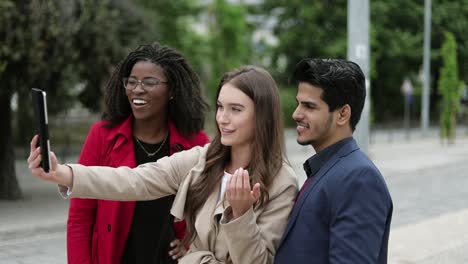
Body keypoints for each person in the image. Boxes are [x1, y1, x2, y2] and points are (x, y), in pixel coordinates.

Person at [28, 66, 298, 264]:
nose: (222, 119)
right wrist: (62, 173)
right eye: (219, 107)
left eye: (235, 109)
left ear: (261, 115)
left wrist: (241, 216)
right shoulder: (202, 159)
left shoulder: (281, 181)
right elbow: (135, 181)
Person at [66, 43, 210, 264]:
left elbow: (210, 209)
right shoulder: (102, 136)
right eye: (131, 82)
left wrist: (192, 242)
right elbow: (80, 217)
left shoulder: (195, 143)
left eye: (149, 82)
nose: (137, 89)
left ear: (172, 90)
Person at [274, 58, 393, 264]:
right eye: (298, 104)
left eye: (309, 106)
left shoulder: (358, 178)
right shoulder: (330, 168)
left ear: (342, 114)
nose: (296, 114)